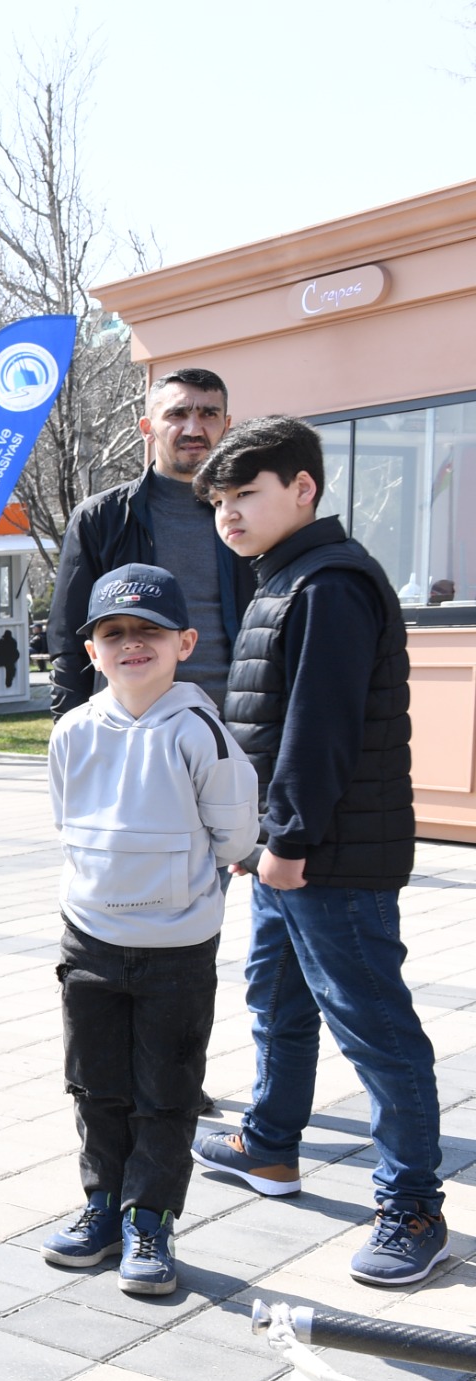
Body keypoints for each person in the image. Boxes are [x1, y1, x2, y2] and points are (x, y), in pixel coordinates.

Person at [188, 417, 451, 1286]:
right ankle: (269, 1146)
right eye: (220, 500)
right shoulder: (285, 576)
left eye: (245, 494)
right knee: (279, 1003)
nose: (229, 513)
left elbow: (320, 730)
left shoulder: (328, 584)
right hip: (285, 850)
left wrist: (290, 840)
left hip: (331, 858)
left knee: (374, 1027)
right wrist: (255, 835)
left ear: (303, 488)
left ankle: (414, 1205)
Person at [43, 566, 258, 1298]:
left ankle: (151, 1221)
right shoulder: (73, 730)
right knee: (95, 1086)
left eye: (149, 632)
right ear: (92, 651)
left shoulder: (201, 731)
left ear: (184, 642)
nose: (131, 644)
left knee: (165, 1094)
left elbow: (234, 838)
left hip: (177, 950)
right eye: (113, 633)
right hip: (90, 940)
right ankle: (102, 1207)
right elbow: (66, 819)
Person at [50, 370, 248, 715]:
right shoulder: (102, 518)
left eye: (208, 414)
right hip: (136, 731)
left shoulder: (250, 513)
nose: (193, 429)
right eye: (177, 414)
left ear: (226, 425)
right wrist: (72, 733)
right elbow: (69, 643)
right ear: (147, 428)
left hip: (240, 726)